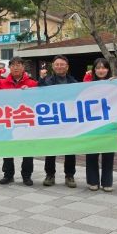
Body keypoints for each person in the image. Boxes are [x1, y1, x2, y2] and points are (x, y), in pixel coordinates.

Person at [0, 56, 38, 186]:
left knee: (28, 149)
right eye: (13, 65)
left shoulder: (32, 83)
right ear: (9, 68)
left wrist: (30, 93)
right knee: (7, 148)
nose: (16, 67)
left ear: (23, 67)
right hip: (8, 120)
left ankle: (27, 176)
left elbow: (38, 99)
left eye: (18, 65)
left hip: (25, 121)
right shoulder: (2, 82)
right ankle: (8, 175)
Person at [39, 55, 79, 188]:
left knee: (70, 149)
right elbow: (38, 95)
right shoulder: (47, 81)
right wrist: (41, 79)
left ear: (67, 67)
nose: (59, 66)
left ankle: (70, 175)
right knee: (51, 148)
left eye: (62, 64)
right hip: (52, 120)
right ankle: (50, 175)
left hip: (69, 121)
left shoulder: (74, 82)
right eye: (57, 64)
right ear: (53, 66)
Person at [83, 58, 115, 192]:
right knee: (91, 153)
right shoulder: (88, 83)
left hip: (108, 124)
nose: (101, 70)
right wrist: (87, 79)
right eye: (98, 68)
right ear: (94, 70)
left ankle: (107, 182)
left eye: (104, 67)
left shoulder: (114, 83)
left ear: (108, 69)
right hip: (92, 124)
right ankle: (92, 181)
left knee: (108, 154)